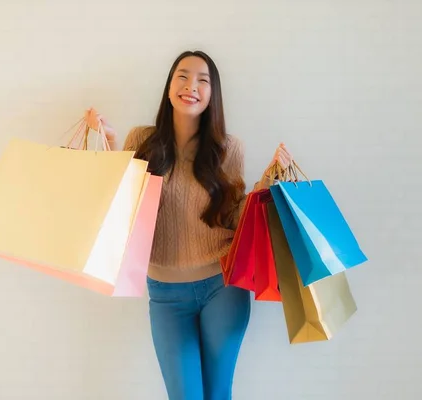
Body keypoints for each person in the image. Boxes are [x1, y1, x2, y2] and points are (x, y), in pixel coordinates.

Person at [97, 50, 293, 400]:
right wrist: (109, 150)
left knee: (217, 394)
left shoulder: (228, 149)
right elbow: (121, 212)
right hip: (165, 294)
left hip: (222, 286)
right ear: (170, 86)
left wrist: (264, 184)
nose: (191, 86)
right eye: (182, 76)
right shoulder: (141, 141)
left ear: (212, 95)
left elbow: (234, 219)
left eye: (203, 80)